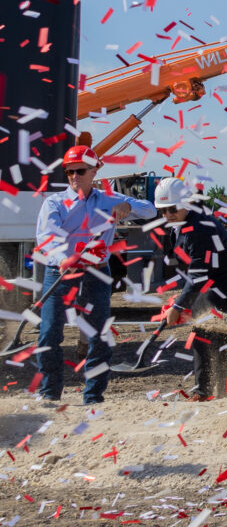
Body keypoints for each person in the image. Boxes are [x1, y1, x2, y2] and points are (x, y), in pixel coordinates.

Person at [31, 144, 156, 403]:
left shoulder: (109, 200)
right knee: (49, 331)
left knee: (98, 333)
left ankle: (93, 396)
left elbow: (151, 209)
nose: (74, 176)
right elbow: (46, 238)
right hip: (61, 270)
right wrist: (63, 258)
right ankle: (49, 393)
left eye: (80, 171)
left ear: (94, 171)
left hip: (97, 272)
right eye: (69, 172)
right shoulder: (55, 202)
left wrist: (126, 207)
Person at [153, 178, 227, 400]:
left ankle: (205, 392)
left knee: (202, 330)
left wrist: (180, 305)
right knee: (215, 333)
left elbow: (198, 275)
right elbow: (192, 270)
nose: (167, 215)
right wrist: (181, 298)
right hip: (212, 282)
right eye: (162, 211)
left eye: (172, 209)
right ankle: (222, 391)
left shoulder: (198, 227)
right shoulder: (180, 222)